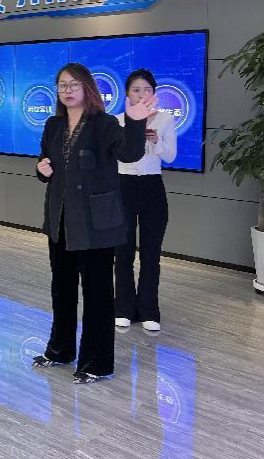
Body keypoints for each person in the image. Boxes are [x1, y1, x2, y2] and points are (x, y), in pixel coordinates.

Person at [32, 62, 154, 383]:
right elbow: (46, 162)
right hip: (60, 221)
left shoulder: (105, 123)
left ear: (87, 88)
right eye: (62, 85)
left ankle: (96, 364)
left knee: (97, 295)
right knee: (62, 290)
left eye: (74, 84)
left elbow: (130, 154)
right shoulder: (53, 124)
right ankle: (60, 350)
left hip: (95, 224)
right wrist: (41, 169)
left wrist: (136, 121)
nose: (67, 90)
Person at [114, 69, 176, 332]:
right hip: (123, 185)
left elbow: (170, 156)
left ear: (154, 93)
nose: (141, 95)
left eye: (147, 90)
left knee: (151, 254)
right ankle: (123, 308)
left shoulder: (165, 119)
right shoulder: (117, 121)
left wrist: (157, 141)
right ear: (127, 94)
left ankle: (149, 310)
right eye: (136, 90)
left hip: (152, 186)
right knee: (123, 252)